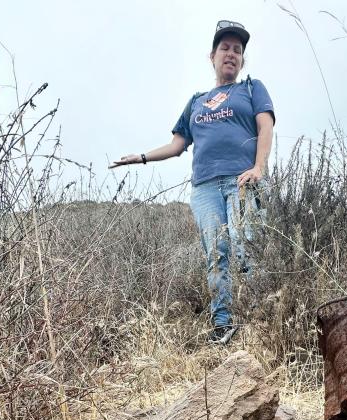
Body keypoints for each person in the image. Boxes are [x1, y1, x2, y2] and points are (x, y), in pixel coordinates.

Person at [110, 20, 275, 344]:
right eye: (225, 48)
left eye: (238, 51)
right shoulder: (197, 102)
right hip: (205, 188)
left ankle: (264, 319)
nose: (231, 54)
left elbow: (265, 127)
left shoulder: (252, 89)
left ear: (242, 60)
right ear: (212, 56)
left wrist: (259, 167)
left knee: (247, 248)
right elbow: (176, 145)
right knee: (217, 253)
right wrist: (141, 157)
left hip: (242, 180)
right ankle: (223, 326)